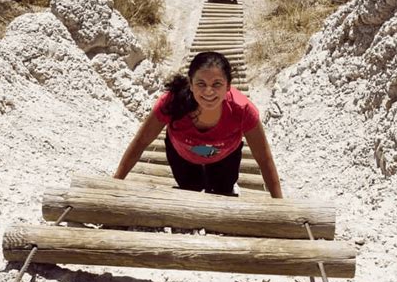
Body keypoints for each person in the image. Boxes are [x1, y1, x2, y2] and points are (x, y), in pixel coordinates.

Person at [114, 52, 282, 198]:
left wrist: (279, 205)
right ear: (191, 84)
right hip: (183, 155)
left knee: (222, 192)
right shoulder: (171, 102)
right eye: (201, 84)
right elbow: (141, 142)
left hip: (225, 156)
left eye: (217, 84)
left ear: (228, 86)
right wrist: (115, 185)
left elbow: (264, 159)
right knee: (190, 190)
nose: (209, 91)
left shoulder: (243, 109)